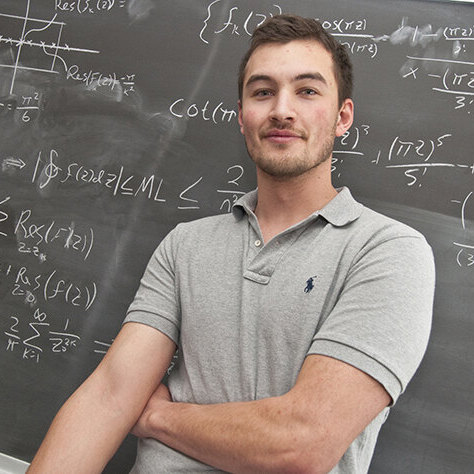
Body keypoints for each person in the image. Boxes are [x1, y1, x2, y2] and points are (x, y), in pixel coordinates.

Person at [28, 14, 435, 473]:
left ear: (343, 117)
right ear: (242, 117)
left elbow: (298, 446)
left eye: (307, 90)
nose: (282, 109)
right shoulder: (185, 245)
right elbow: (109, 396)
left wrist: (159, 416)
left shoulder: (388, 252)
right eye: (263, 92)